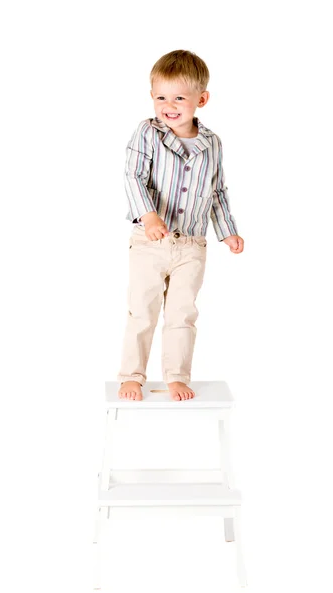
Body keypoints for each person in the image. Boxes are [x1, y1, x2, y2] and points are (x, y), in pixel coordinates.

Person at [117, 49, 244, 401]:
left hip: (192, 245)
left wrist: (228, 230)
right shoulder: (147, 133)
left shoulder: (212, 144)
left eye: (179, 97)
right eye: (160, 97)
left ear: (200, 99)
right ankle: (132, 375)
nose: (168, 105)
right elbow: (133, 176)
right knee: (142, 310)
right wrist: (150, 215)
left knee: (182, 314)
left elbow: (217, 190)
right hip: (149, 241)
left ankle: (176, 376)